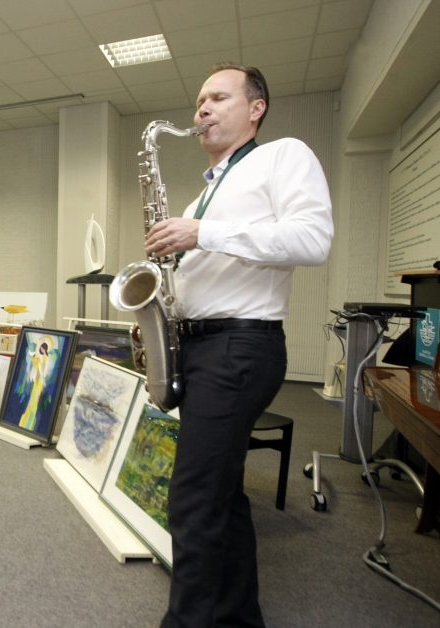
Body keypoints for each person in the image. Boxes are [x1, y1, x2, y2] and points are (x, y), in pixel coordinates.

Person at [145, 63, 333, 627]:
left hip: (240, 347)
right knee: (221, 497)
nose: (201, 108)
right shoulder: (208, 191)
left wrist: (202, 234)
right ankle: (237, 618)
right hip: (202, 347)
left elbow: (313, 238)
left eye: (218, 97)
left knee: (194, 500)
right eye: (199, 99)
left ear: (257, 108)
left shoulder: (283, 156)